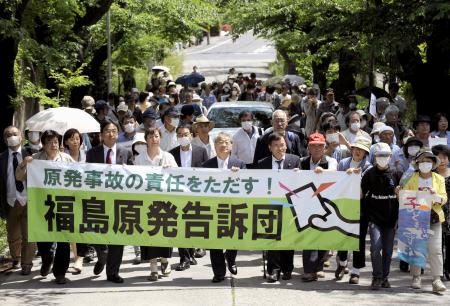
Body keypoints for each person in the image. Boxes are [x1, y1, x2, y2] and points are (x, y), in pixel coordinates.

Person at [16, 130, 74, 284]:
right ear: (43, 144)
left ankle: (60, 273)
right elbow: (19, 177)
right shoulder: (35, 159)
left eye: (56, 141)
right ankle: (47, 259)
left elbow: (79, 177)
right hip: (42, 206)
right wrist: (23, 164)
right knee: (43, 241)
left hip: (63, 204)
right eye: (49, 142)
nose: (53, 145)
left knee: (63, 240)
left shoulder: (66, 159)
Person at [86, 121, 133, 283]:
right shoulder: (92, 153)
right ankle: (102, 256)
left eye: (114, 131)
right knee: (98, 235)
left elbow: (135, 177)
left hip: (119, 201)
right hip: (98, 201)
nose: (111, 134)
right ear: (101, 135)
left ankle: (113, 272)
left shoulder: (126, 153)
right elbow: (87, 176)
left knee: (118, 237)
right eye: (107, 131)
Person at [202, 132, 246, 283]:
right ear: (215, 146)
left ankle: (231, 259)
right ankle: (219, 272)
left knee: (233, 236)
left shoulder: (239, 164)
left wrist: (238, 175)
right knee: (215, 241)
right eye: (220, 142)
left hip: (234, 207)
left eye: (227, 142)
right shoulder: (206, 166)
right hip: (214, 208)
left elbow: (247, 185)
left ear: (231, 146)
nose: (223, 145)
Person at [134, 128, 177, 281]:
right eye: (150, 136)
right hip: (146, 202)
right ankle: (153, 268)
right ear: (146, 139)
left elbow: (178, 177)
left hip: (165, 202)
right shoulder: (139, 159)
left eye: (157, 136)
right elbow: (134, 179)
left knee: (163, 232)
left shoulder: (168, 157)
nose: (154, 139)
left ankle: (165, 260)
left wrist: (169, 171)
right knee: (150, 234)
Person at [402, 149, 447, 293]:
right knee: (416, 248)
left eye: (428, 161)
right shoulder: (410, 178)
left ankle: (436, 279)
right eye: (422, 161)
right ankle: (416, 276)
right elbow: (403, 198)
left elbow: (444, 199)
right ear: (417, 163)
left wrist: (435, 196)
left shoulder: (439, 179)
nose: (425, 163)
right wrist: (399, 193)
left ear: (433, 163)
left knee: (435, 249)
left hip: (434, 217)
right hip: (416, 217)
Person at [257, 133, 301, 282]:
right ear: (270, 147)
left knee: (288, 238)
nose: (279, 148)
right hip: (270, 205)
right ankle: (273, 270)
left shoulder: (295, 161)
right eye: (275, 145)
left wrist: (298, 175)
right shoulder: (262, 163)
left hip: (289, 205)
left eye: (282, 145)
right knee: (272, 237)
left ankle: (287, 269)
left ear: (286, 146)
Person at [361, 142, 402, 290]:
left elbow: (403, 197)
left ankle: (385, 277)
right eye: (379, 155)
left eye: (385, 155)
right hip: (374, 217)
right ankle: (376, 277)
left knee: (388, 250)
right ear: (374, 157)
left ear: (390, 156)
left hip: (391, 218)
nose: (382, 158)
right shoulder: (369, 173)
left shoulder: (397, 173)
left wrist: (399, 193)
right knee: (375, 247)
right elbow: (359, 193)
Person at [169, 124, 209, 271]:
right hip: (178, 194)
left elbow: (207, 172)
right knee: (180, 225)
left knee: (192, 224)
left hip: (196, 193)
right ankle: (184, 258)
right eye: (179, 135)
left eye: (185, 134)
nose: (183, 137)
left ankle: (192, 254)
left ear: (191, 136)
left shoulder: (201, 151)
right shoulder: (171, 153)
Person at [299, 132, 338, 282]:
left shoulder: (331, 161)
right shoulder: (302, 161)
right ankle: (308, 270)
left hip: (326, 202)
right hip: (306, 203)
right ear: (308, 147)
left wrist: (323, 172)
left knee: (323, 235)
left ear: (325, 147)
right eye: (313, 146)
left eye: (320, 146)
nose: (317, 149)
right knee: (308, 236)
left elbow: (334, 172)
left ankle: (319, 267)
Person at [334, 137, 372, 283]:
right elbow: (336, 182)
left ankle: (356, 271)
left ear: (365, 153)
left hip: (361, 207)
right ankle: (342, 263)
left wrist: (357, 176)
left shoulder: (368, 167)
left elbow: (366, 190)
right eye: (356, 148)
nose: (358, 151)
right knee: (342, 235)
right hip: (343, 205)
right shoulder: (343, 163)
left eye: (361, 150)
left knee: (359, 239)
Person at [0, 126, 36, 276]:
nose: (12, 137)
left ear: (21, 137)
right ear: (4, 139)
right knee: (13, 235)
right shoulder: (1, 158)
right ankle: (16, 257)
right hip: (10, 200)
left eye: (15, 134)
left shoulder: (32, 154)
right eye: (8, 135)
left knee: (29, 234)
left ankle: (27, 263)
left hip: (29, 199)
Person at [432, 145, 450, 280]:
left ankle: (448, 269)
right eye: (439, 157)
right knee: (438, 243)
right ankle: (440, 271)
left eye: (445, 157)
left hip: (449, 211)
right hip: (435, 212)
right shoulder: (431, 175)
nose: (442, 160)